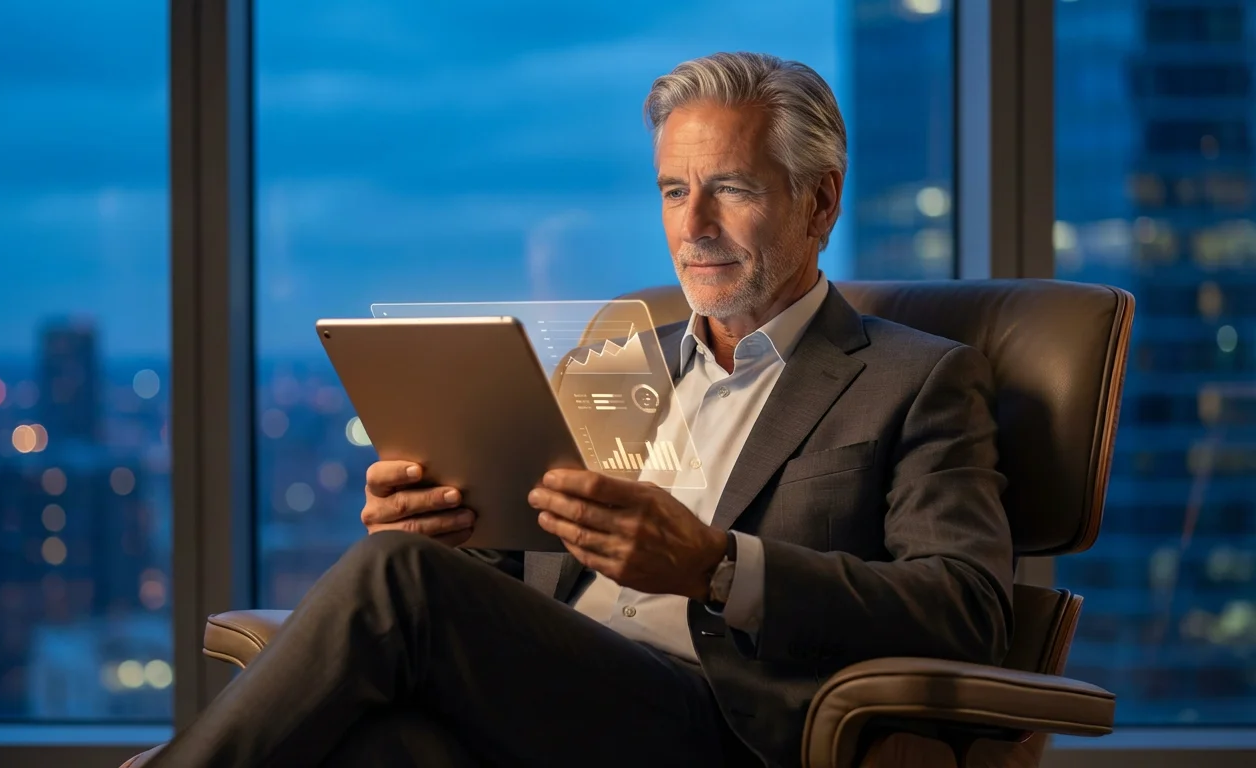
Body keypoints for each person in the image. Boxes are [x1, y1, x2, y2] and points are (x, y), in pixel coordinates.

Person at [144, 51, 1013, 768]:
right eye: (674, 191)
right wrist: (438, 534)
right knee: (382, 741)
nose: (693, 225)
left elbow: (968, 609)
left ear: (820, 200)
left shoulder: (917, 379)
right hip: (552, 707)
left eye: (732, 189)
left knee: (392, 588)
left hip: (720, 727)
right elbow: (515, 579)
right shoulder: (615, 366)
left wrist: (716, 566)